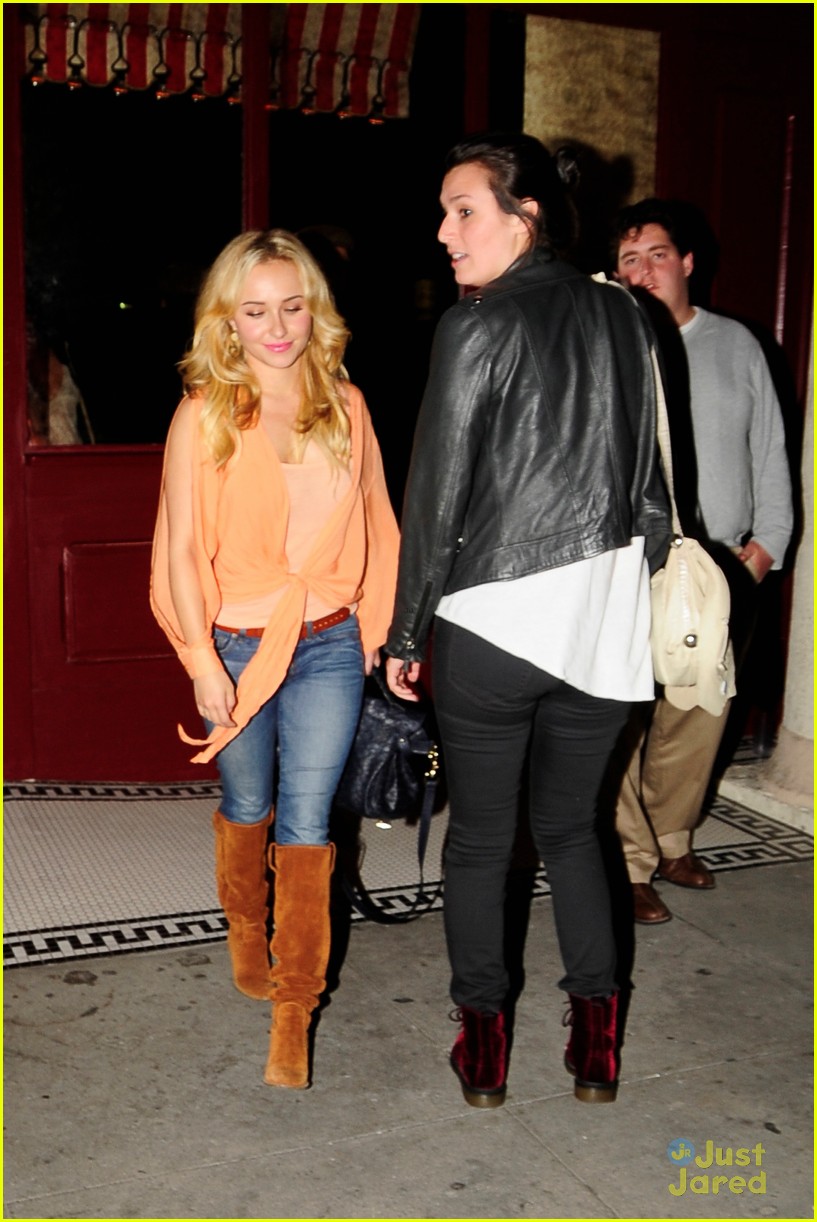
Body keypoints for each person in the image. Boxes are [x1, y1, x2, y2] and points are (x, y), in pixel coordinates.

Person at [384, 133, 671, 1108]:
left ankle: (484, 1052)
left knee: (480, 841)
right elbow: (651, 479)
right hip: (602, 623)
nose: (443, 231)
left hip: (494, 621)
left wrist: (405, 633)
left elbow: (435, 496)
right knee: (574, 830)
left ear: (526, 215)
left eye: (463, 209)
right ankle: (597, 1048)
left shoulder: (476, 325)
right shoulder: (626, 311)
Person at [150, 230, 399, 1089]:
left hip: (328, 638)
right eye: (255, 311)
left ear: (313, 310)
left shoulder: (347, 405)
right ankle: (245, 931)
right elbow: (181, 550)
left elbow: (379, 520)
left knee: (307, 818)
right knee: (248, 800)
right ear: (228, 321)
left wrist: (380, 633)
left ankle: (295, 1011)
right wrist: (199, 661)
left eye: (292, 307)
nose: (278, 327)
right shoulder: (204, 414)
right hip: (236, 644)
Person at [613, 199, 793, 924]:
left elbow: (770, 448)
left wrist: (767, 545)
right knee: (625, 716)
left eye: (656, 255)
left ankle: (671, 838)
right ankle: (628, 860)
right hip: (634, 561)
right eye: (628, 260)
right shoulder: (612, 346)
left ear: (687, 263)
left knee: (698, 713)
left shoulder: (736, 345)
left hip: (722, 564)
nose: (642, 271)